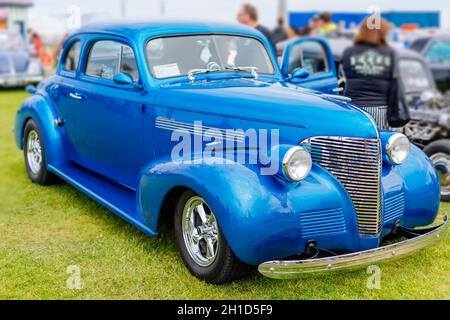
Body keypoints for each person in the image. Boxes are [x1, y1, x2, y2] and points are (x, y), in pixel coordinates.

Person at [342, 17, 410, 129]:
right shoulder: (390, 53)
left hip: (354, 108)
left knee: (355, 143)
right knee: (381, 144)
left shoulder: (349, 52)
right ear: (383, 32)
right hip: (382, 109)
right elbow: (395, 80)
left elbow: (345, 75)